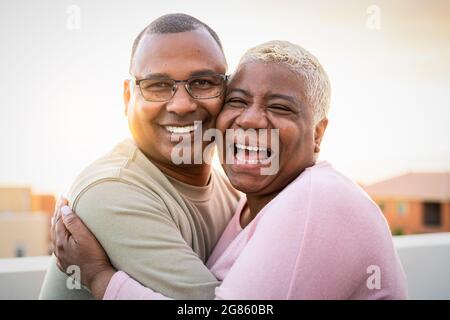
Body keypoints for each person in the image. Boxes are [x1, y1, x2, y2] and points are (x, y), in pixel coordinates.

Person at [52, 41, 408, 299]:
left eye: (280, 108)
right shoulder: (248, 204)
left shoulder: (319, 198)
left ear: (317, 134)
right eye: (237, 101)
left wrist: (101, 279)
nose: (251, 118)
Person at [39, 13, 242, 300]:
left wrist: (101, 278)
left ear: (228, 91)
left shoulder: (232, 191)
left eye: (203, 82)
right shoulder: (111, 192)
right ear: (127, 98)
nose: (182, 105)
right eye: (157, 85)